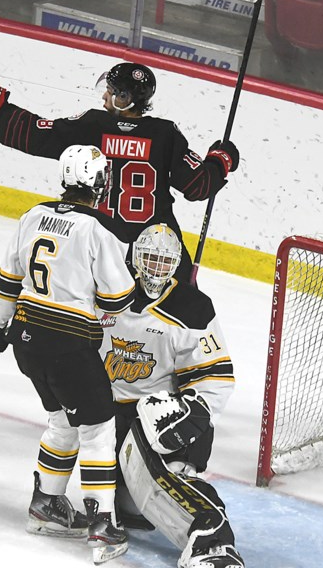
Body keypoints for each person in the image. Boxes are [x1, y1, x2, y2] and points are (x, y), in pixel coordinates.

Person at [0, 145, 137, 564]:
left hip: (28, 342)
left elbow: (6, 282)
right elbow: (117, 300)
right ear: (100, 184)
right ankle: (102, 524)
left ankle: (46, 506)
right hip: (69, 346)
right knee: (99, 427)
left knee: (63, 419)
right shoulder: (99, 230)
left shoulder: (32, 216)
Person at [0, 63, 240, 284]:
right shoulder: (165, 134)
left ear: (125, 98)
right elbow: (198, 186)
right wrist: (221, 159)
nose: (105, 95)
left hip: (100, 249)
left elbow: (34, 134)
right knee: (174, 323)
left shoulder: (93, 125)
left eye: (112, 91)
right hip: (155, 254)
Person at [100, 223, 245, 568]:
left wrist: (186, 414)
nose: (155, 267)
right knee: (133, 506)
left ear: (176, 263)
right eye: (149, 257)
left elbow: (215, 378)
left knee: (164, 477)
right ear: (135, 258)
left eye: (164, 261)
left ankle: (213, 542)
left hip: (160, 418)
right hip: (107, 415)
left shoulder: (192, 308)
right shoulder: (106, 291)